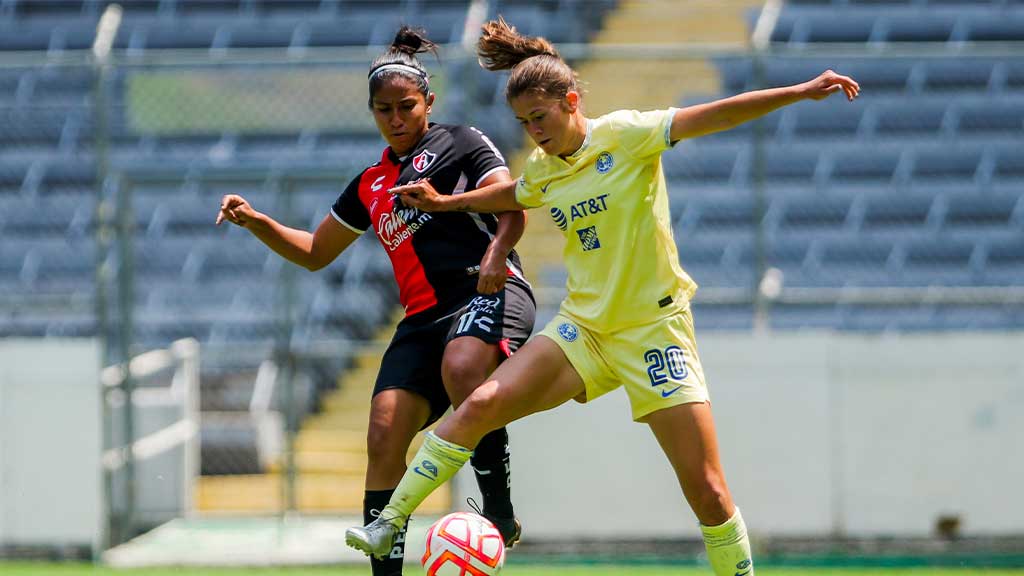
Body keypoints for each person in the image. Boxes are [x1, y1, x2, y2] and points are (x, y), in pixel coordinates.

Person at [344, 17, 860, 576]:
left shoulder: (627, 134)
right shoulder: (543, 169)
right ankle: (387, 524)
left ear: (570, 101)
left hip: (652, 331)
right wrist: (444, 204)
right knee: (482, 404)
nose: (533, 132)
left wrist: (802, 90)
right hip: (584, 330)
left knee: (708, 491)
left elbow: (717, 113)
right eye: (522, 123)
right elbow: (509, 194)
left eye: (539, 118)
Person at [216, 26, 535, 576]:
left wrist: (490, 253)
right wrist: (258, 222)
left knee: (463, 368)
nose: (395, 118)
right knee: (384, 430)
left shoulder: (463, 142)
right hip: (422, 319)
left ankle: (499, 512)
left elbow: (513, 206)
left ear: (427, 103)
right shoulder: (368, 184)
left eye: (405, 106)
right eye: (383, 109)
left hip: (488, 287)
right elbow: (316, 251)